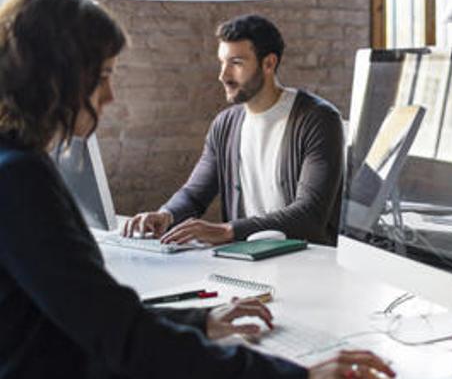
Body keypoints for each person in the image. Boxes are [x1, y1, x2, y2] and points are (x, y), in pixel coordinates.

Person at [0, 0, 393, 379]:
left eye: (236, 63)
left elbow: (95, 314)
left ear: (269, 63)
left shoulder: (18, 167)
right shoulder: (19, 179)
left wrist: (201, 320)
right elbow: (120, 333)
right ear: (55, 76)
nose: (111, 95)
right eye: (102, 77)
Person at [123, 14, 344, 246]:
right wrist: (166, 215)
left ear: (269, 63)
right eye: (222, 62)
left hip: (306, 264)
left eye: (236, 63)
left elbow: (310, 215)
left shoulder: (318, 119)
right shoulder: (225, 125)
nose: (223, 76)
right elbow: (194, 195)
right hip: (244, 263)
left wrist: (228, 230)